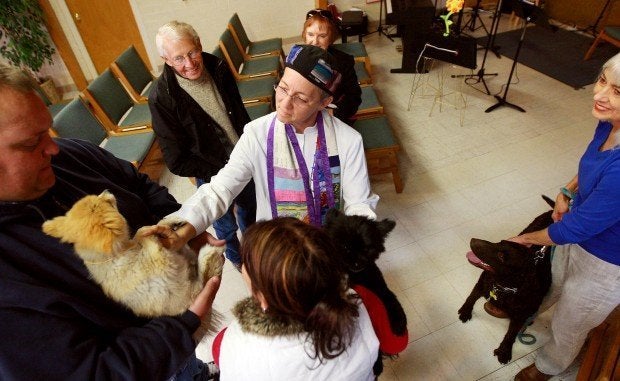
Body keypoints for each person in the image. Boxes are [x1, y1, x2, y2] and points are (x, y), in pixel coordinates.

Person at [0, 63, 222, 380]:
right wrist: (183, 325)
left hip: (175, 345)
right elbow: (95, 373)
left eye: (47, 130)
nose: (51, 147)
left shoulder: (67, 155)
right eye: (30, 143)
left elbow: (140, 186)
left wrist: (181, 225)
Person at [163, 44, 379, 248]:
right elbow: (221, 189)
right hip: (276, 252)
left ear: (324, 102)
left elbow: (359, 203)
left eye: (301, 99)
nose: (284, 104)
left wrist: (355, 240)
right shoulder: (257, 134)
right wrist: (185, 225)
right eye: (282, 89)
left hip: (329, 250)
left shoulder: (347, 140)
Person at [507, 53, 620, 381]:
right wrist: (567, 191)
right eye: (602, 80)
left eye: (618, 92)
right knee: (553, 281)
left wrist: (525, 239)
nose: (599, 95)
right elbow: (589, 165)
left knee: (572, 321)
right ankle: (526, 311)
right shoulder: (609, 122)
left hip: (607, 261)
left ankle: (549, 367)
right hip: (580, 232)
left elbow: (576, 228)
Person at [211, 217, 380, 380]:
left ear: (263, 299)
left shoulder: (242, 347)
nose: (243, 266)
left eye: (247, 262)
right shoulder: (354, 302)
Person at [149, 20, 257, 271]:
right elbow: (176, 160)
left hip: (243, 157)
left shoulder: (217, 65)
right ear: (166, 60)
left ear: (199, 44)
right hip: (210, 172)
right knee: (224, 224)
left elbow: (238, 112)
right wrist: (217, 170)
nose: (189, 63)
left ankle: (253, 253)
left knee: (251, 210)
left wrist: (251, 144)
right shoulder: (161, 97)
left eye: (192, 52)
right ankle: (236, 259)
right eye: (178, 58)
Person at [302, 8, 362, 125]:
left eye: (322, 36)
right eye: (310, 34)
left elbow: (354, 97)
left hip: (333, 117)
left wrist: (334, 113)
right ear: (304, 35)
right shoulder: (295, 57)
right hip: (303, 117)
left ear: (330, 38)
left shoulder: (344, 61)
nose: (315, 42)